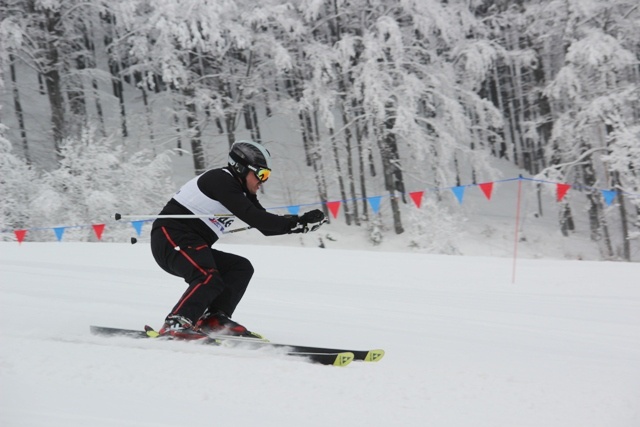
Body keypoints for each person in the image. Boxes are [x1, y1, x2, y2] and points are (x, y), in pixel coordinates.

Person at [150, 140, 327, 339]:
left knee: (239, 268)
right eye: (261, 174)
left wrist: (299, 222)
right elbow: (252, 216)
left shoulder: (241, 190)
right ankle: (176, 323)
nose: (263, 181)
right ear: (241, 169)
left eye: (266, 175)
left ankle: (214, 320)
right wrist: (295, 223)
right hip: (170, 237)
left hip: (191, 242)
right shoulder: (220, 180)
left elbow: (263, 225)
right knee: (208, 277)